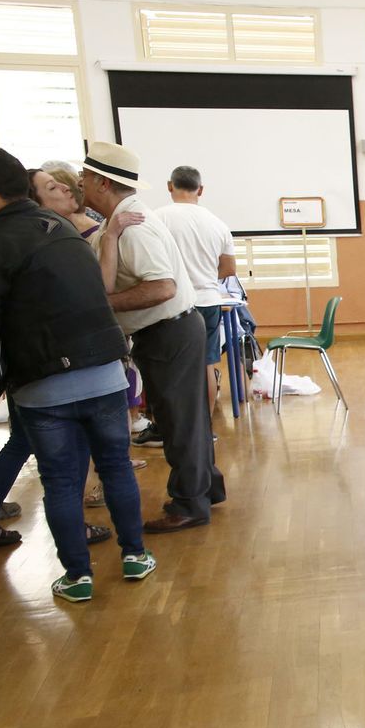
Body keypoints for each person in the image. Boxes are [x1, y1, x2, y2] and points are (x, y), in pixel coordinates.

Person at [0, 146, 155, 602]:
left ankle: (77, 577)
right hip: (104, 372)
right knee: (116, 468)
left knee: (61, 481)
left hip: (43, 385)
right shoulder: (65, 228)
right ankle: (135, 555)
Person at [82, 142, 225, 533]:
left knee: (179, 423)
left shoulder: (134, 225)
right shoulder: (122, 220)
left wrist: (103, 305)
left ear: (101, 182)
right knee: (187, 419)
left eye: (85, 177)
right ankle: (206, 490)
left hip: (168, 331)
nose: (79, 182)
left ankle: (189, 504)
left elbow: (162, 287)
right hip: (172, 330)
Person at [157, 165, 237, 423]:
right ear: (200, 190)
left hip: (172, 304)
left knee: (170, 369)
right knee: (207, 365)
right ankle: (205, 428)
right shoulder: (217, 223)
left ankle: (171, 428)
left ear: (170, 186)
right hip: (208, 301)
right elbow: (229, 269)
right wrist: (205, 276)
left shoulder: (157, 219)